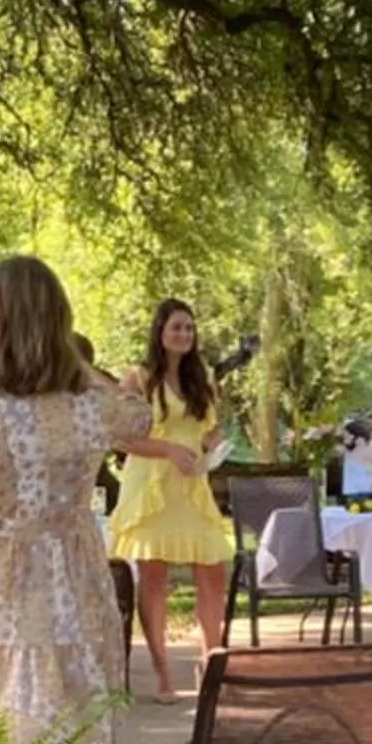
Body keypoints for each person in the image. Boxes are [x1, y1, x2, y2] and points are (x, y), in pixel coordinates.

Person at [0, 255, 152, 744]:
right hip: (78, 579)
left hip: (3, 587)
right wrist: (79, 365)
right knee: (76, 725)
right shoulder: (92, 408)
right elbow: (139, 417)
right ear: (61, 324)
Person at [107, 297, 237, 700]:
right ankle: (162, 673)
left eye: (189, 328)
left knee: (213, 570)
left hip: (192, 487)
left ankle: (211, 664)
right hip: (151, 488)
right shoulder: (138, 379)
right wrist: (166, 449)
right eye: (176, 327)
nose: (184, 334)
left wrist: (210, 442)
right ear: (160, 331)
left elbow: (205, 428)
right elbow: (120, 438)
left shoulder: (203, 380)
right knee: (154, 578)